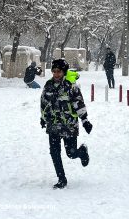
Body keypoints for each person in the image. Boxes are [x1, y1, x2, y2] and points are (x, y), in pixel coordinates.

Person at [40, 59, 93, 189]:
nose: (56, 74)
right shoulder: (48, 85)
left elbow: (79, 103)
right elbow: (44, 103)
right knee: (54, 152)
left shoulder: (71, 86)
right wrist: (43, 117)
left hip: (69, 125)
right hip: (53, 124)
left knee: (71, 153)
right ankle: (61, 179)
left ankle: (81, 152)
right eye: (54, 71)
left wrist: (85, 120)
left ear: (64, 72)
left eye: (59, 71)